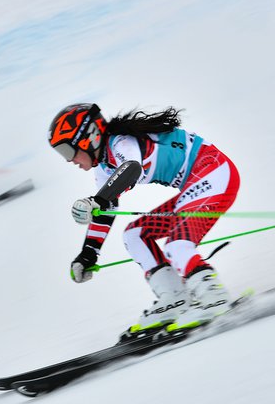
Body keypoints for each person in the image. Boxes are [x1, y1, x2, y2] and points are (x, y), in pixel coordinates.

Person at [47, 103, 240, 338]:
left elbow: (131, 169)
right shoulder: (104, 166)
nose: (69, 160)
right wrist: (89, 253)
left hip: (214, 173)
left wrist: (98, 199)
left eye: (67, 151)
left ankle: (214, 298)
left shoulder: (121, 144)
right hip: (197, 183)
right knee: (135, 234)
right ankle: (175, 299)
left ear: (88, 138)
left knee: (177, 244)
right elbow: (106, 209)